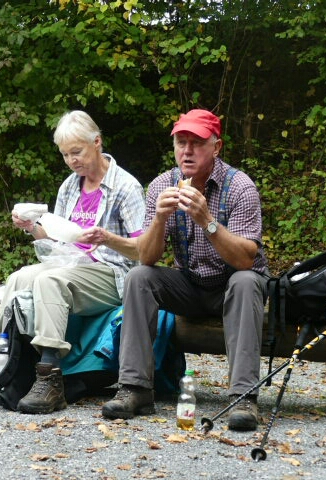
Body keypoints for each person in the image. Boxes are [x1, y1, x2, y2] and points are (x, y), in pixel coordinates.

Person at [0, 110, 145, 414]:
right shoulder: (70, 186)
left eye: (77, 152)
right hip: (72, 265)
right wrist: (31, 226)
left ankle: (50, 378)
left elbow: (141, 250)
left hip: (113, 273)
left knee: (49, 281)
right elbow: (59, 240)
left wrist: (107, 238)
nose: (72, 161)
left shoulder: (126, 187)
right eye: (65, 155)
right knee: (19, 278)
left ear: (96, 142)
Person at [101, 109, 269, 431]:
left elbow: (247, 259)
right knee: (139, 278)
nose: (187, 151)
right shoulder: (163, 185)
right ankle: (135, 388)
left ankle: (244, 396)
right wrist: (160, 219)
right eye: (181, 142)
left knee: (247, 281)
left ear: (216, 147)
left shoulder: (240, 187)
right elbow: (147, 258)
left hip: (232, 286)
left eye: (197, 143)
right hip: (191, 284)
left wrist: (207, 221)